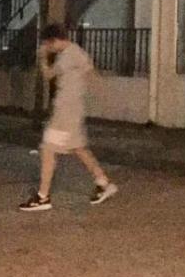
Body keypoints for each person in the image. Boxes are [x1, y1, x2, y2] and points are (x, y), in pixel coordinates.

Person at [18, 24, 119, 212]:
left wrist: (42, 57)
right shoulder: (70, 53)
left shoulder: (71, 54)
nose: (49, 47)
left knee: (48, 148)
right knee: (78, 148)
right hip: (71, 110)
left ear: (54, 40)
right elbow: (85, 74)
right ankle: (104, 183)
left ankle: (43, 196)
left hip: (66, 111)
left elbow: (52, 75)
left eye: (49, 44)